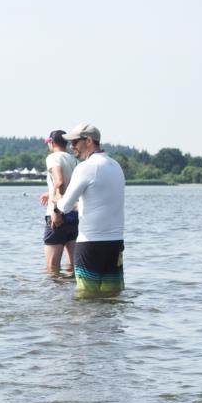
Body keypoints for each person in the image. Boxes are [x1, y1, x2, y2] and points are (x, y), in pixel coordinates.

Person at [52, 123, 126, 297]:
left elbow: (65, 206)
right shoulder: (116, 165)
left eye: (75, 142)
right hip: (115, 243)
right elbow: (101, 203)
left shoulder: (85, 167)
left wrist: (57, 200)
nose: (72, 147)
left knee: (86, 299)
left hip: (91, 244)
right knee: (112, 298)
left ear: (89, 141)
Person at [38, 129, 78, 272]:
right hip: (74, 213)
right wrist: (50, 193)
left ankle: (55, 295)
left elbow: (60, 182)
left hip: (58, 215)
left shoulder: (53, 157)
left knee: (52, 268)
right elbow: (70, 185)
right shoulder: (73, 159)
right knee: (74, 267)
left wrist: (56, 211)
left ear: (52, 143)